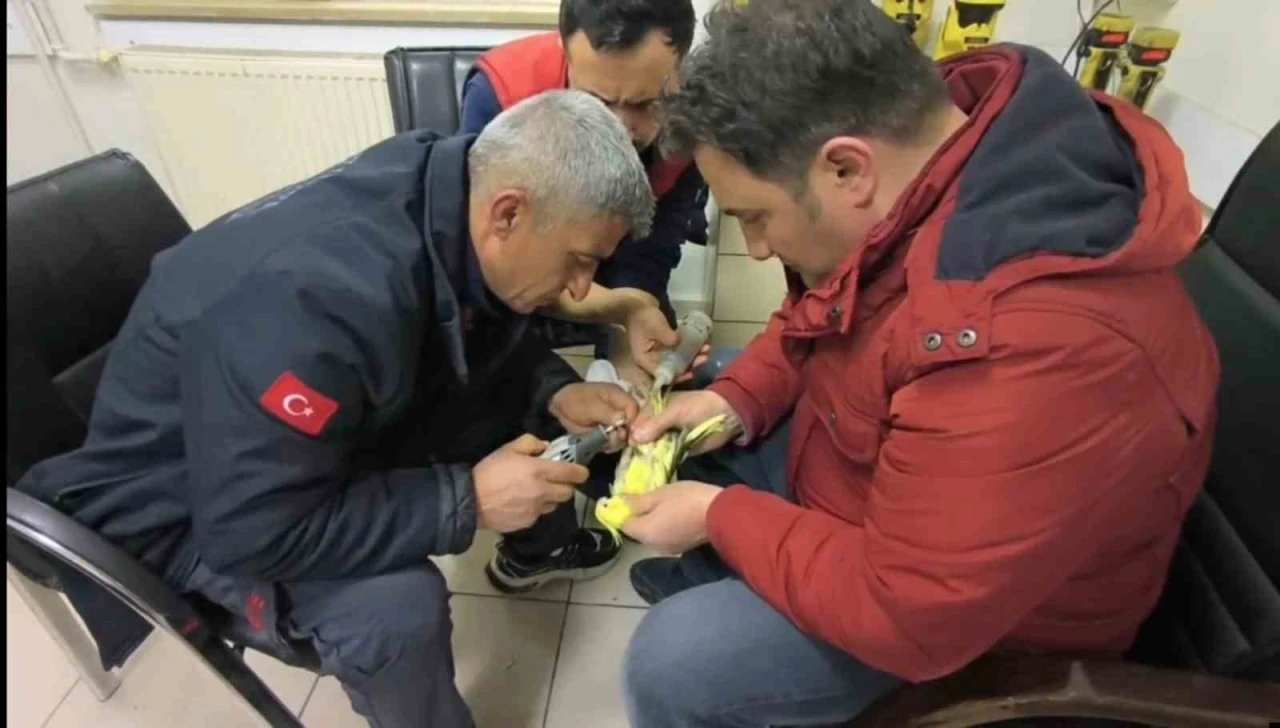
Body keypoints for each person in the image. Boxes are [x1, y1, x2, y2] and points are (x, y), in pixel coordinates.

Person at [614, 0, 1221, 725]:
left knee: (674, 662)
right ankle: (736, 567)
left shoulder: (1034, 343)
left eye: (756, 216)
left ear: (847, 168)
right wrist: (735, 400)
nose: (759, 248)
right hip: (894, 489)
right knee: (716, 388)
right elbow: (827, 309)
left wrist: (720, 517)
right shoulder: (936, 166)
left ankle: (728, 598)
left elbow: (909, 614)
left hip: (973, 631)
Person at [15, 90, 653, 727]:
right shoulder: (315, 304)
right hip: (186, 513)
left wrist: (552, 389)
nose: (580, 289)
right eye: (580, 262)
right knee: (394, 610)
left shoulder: (445, 186)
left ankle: (538, 552)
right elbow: (251, 530)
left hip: (280, 442)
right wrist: (470, 501)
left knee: (520, 411)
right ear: (508, 213)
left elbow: (469, 313)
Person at [461, 0, 706, 378]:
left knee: (655, 381)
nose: (620, 130)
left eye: (646, 104)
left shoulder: (694, 114)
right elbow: (484, 261)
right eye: (597, 101)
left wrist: (632, 313)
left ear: (682, 65)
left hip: (621, 272)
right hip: (513, 274)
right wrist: (555, 387)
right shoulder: (502, 93)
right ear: (565, 52)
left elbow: (651, 253)